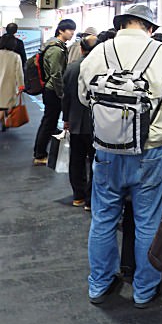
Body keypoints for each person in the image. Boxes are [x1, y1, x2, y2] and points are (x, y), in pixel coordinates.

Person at [78, 4, 162, 307]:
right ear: (149, 27)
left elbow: (82, 94)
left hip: (106, 149)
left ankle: (99, 284)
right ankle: (143, 289)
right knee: (147, 221)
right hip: (150, 151)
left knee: (103, 217)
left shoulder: (99, 51)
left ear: (122, 23)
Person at [33, 18, 76, 165]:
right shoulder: (56, 49)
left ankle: (41, 151)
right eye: (70, 30)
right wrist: (61, 93)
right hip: (52, 90)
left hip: (49, 89)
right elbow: (56, 74)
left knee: (49, 121)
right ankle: (39, 154)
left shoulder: (53, 45)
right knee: (49, 122)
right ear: (61, 31)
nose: (72, 33)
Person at [62, 35, 97, 210]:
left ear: (81, 49)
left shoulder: (72, 68)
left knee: (76, 160)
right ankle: (91, 200)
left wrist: (66, 119)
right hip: (96, 124)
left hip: (75, 121)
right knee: (95, 162)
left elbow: (65, 96)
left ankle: (78, 196)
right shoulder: (102, 67)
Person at [0, 34, 25, 131]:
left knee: (1, 107)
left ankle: (4, 123)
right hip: (8, 87)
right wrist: (21, 85)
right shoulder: (15, 56)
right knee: (5, 106)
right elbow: (19, 73)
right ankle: (4, 123)